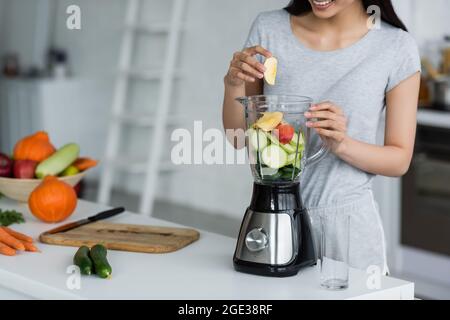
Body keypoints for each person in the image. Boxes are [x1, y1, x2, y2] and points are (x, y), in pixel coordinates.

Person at [222, 0, 421, 274]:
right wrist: (232, 85)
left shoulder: (396, 46)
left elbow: (398, 160)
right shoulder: (269, 29)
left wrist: (342, 144)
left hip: (349, 235)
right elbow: (239, 138)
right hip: (274, 219)